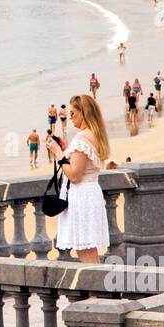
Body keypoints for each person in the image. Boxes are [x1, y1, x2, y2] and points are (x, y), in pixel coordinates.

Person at [45, 94, 112, 264]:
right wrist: (68, 149)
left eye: (73, 113)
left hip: (82, 197)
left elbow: (74, 175)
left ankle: (95, 291)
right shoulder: (94, 135)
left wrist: (58, 152)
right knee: (89, 252)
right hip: (91, 193)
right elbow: (83, 162)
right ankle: (96, 291)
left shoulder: (82, 137)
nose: (70, 117)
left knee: (86, 253)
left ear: (84, 112)